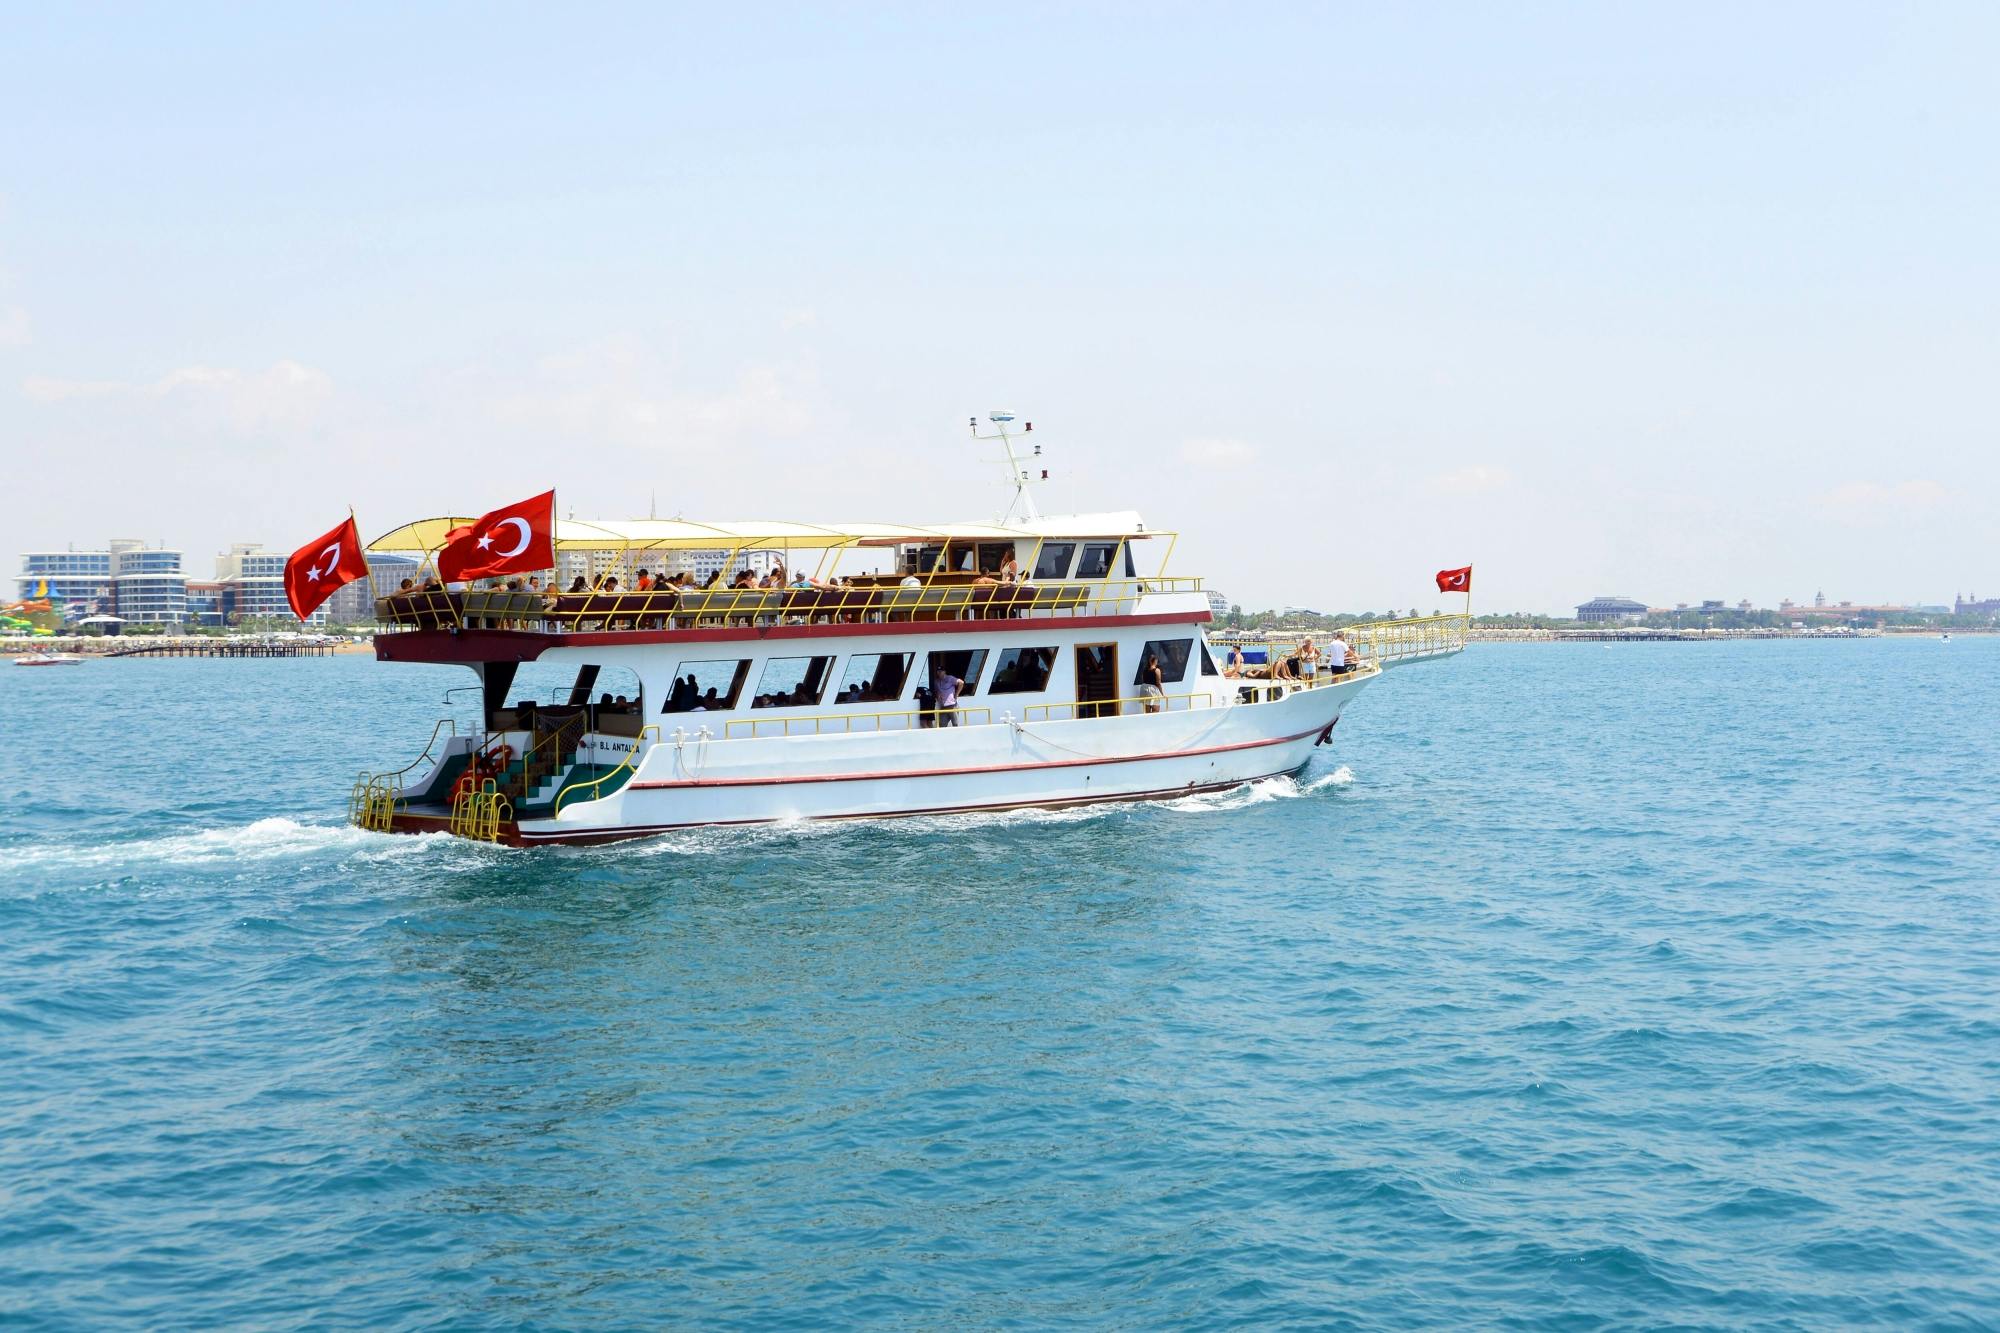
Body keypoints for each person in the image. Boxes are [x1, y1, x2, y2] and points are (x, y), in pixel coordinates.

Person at [931, 660, 963, 727]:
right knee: (941, 725)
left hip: (952, 706)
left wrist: (956, 694)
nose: (939, 672)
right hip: (943, 707)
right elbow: (936, 691)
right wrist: (937, 695)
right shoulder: (936, 682)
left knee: (955, 724)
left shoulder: (950, 678)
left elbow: (961, 683)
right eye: (938, 671)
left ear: (944, 672)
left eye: (941, 671)